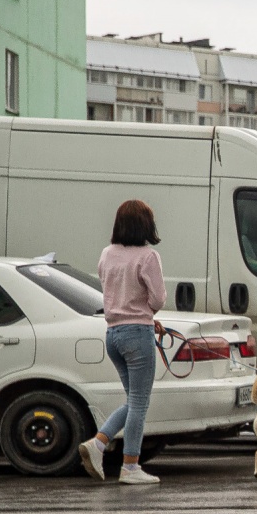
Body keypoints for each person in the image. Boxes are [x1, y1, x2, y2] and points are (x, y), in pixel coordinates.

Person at [78, 200, 167, 485]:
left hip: (113, 334)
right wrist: (146, 315)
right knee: (140, 403)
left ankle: (99, 443)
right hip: (137, 335)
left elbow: (114, 293)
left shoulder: (107, 254)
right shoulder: (148, 256)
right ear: (145, 225)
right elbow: (158, 299)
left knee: (133, 401)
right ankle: (130, 467)